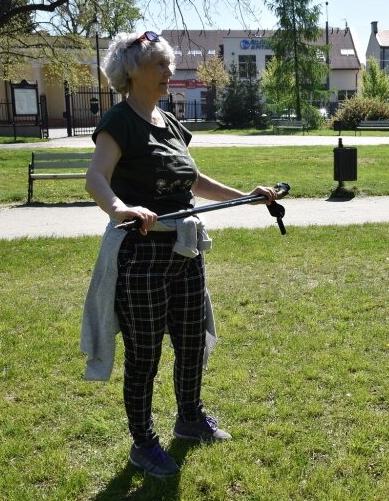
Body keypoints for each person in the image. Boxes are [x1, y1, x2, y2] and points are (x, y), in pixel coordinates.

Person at [81, 31, 278, 477]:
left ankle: (189, 418)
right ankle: (143, 442)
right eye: (161, 65)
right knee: (145, 356)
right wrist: (120, 208)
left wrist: (246, 196)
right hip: (143, 255)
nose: (170, 72)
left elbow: (193, 179)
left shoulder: (167, 122)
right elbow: (95, 177)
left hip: (184, 251)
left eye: (169, 64)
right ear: (133, 71)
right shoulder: (120, 122)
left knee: (191, 343)